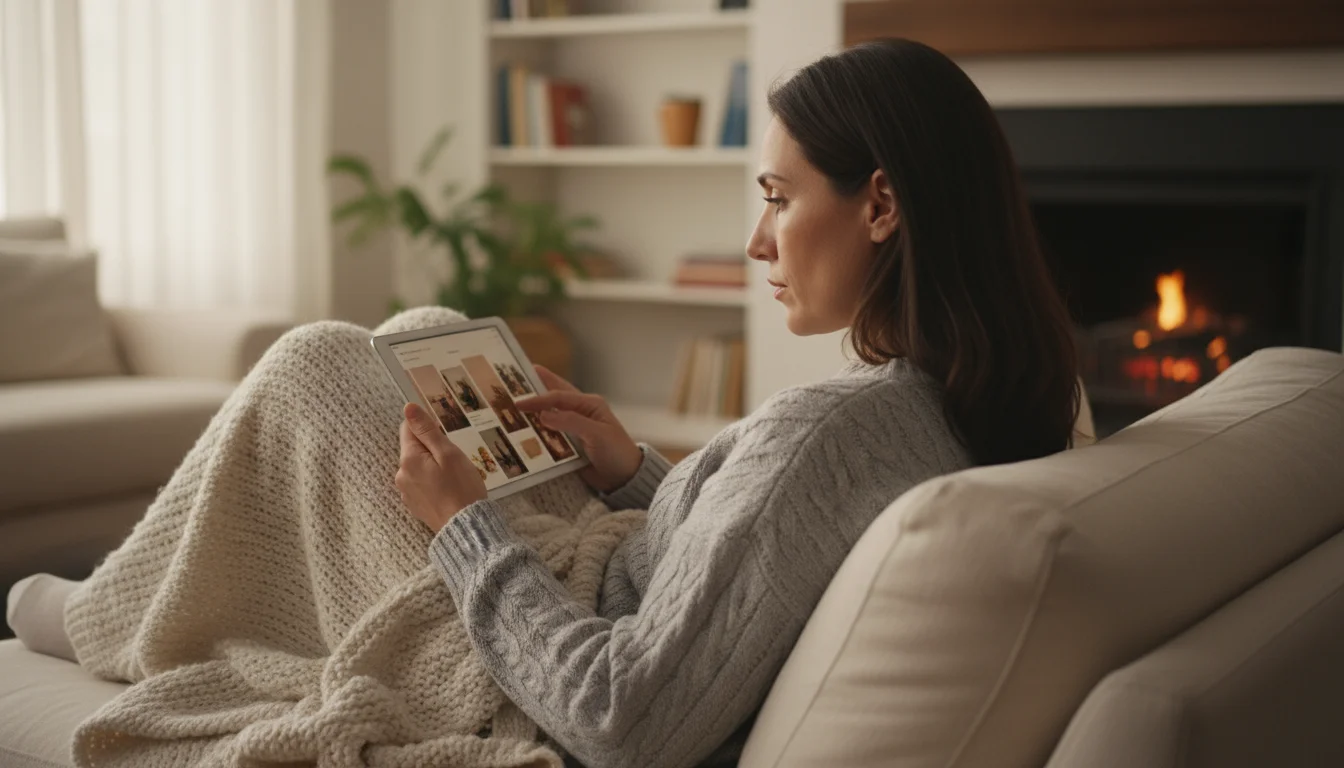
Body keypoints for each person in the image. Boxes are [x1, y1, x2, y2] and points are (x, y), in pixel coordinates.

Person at [17, 38, 1080, 768]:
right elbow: (762, 560)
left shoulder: (832, 430)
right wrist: (639, 474)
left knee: (320, 363)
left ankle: (113, 616)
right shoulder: (981, 402)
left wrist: (463, 529)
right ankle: (141, 596)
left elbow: (626, 721)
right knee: (422, 337)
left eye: (778, 197)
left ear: (882, 203)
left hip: (544, 654)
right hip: (604, 567)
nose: (759, 241)